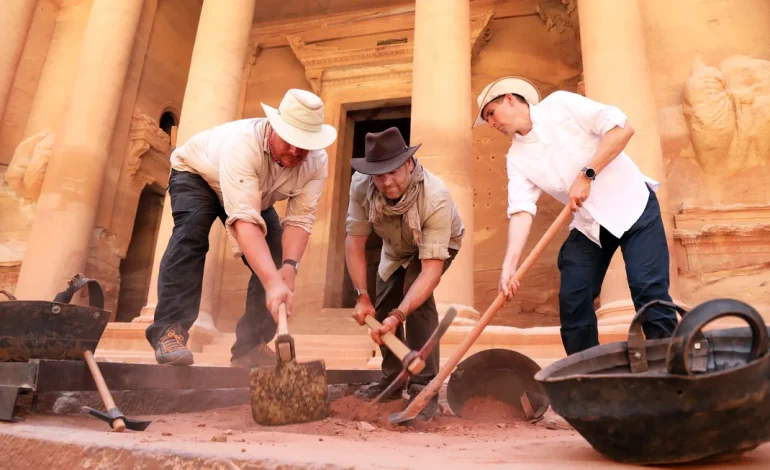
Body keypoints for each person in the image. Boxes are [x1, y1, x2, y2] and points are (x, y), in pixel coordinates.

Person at [473, 76, 678, 355]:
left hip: (633, 207)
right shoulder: (516, 158)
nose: (492, 123)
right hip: (590, 226)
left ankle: (671, 370)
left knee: (648, 290)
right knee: (573, 297)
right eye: (487, 119)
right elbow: (521, 209)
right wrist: (510, 265)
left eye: (491, 114)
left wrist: (587, 173)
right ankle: (585, 379)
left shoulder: (561, 105)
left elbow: (622, 130)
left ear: (510, 99)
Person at [145, 89, 337, 367]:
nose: (297, 151)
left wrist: (288, 267)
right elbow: (245, 221)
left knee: (272, 255)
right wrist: (272, 283)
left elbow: (300, 220)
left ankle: (251, 346)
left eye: (304, 144)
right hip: (199, 174)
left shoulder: (316, 162)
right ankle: (169, 332)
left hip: (253, 192)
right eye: (291, 141)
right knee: (191, 236)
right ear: (274, 127)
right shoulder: (243, 143)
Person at [345, 127, 464, 421]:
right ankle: (393, 381)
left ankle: (425, 389)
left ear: (409, 164)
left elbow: (430, 270)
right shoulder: (361, 186)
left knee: (416, 303)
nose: (386, 182)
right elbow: (355, 241)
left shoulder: (435, 196)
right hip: (394, 247)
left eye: (394, 172)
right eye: (379, 175)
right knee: (383, 302)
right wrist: (361, 296)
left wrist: (399, 316)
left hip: (435, 246)